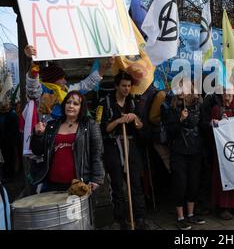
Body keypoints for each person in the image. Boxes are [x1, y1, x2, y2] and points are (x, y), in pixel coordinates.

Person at [100, 71, 148, 230]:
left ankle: (139, 218)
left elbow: (141, 128)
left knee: (135, 183)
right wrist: (119, 120)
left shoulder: (133, 103)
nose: (127, 89)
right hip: (113, 146)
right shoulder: (106, 103)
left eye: (129, 86)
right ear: (116, 86)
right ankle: (120, 220)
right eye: (123, 86)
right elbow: (105, 128)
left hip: (131, 145)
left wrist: (135, 120)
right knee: (117, 184)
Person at [30, 91, 104, 192]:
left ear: (81, 107)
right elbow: (38, 151)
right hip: (53, 184)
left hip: (80, 185)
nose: (71, 106)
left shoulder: (90, 125)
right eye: (68, 102)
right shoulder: (52, 125)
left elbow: (97, 154)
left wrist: (96, 179)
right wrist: (39, 135)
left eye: (76, 104)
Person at [24, 45, 114, 120]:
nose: (65, 81)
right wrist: (34, 63)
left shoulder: (68, 91)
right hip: (47, 137)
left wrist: (105, 67)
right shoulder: (41, 92)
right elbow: (32, 84)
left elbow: (87, 84)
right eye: (61, 78)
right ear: (52, 79)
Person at [161, 81, 206, 230]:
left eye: (183, 87)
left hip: (195, 150)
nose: (181, 90)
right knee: (180, 183)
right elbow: (170, 131)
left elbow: (200, 124)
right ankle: (180, 216)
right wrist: (180, 119)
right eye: (178, 87)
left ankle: (191, 214)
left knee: (193, 183)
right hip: (179, 151)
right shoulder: (171, 107)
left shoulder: (197, 104)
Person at [210, 91, 234, 220]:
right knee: (223, 176)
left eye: (230, 91)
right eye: (225, 91)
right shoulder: (217, 109)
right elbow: (212, 126)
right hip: (223, 148)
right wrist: (214, 122)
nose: (227, 94)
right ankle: (223, 207)